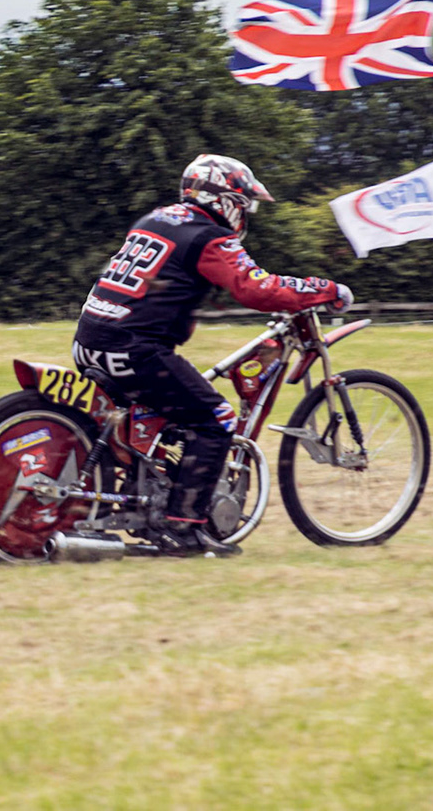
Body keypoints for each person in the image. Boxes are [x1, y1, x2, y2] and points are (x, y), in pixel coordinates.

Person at [73, 154, 352, 558]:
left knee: (168, 411)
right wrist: (323, 289)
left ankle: (145, 497)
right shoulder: (208, 236)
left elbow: (157, 286)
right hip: (135, 351)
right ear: (225, 201)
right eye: (244, 205)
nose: (245, 215)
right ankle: (182, 529)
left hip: (89, 341)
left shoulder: (155, 219)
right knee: (216, 418)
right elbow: (255, 287)